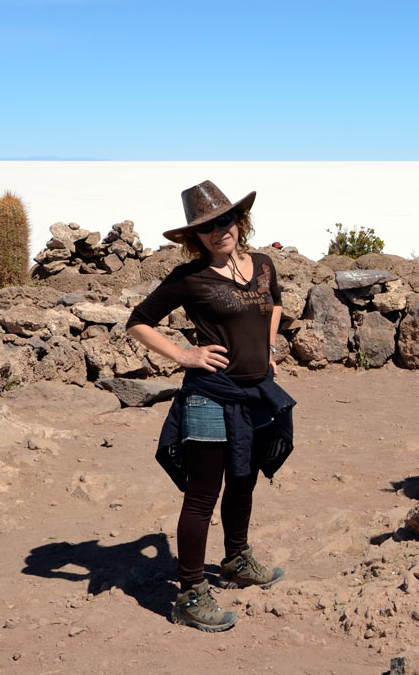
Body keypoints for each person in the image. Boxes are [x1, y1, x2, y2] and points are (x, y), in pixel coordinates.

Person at [126, 180, 295, 632]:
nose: (220, 230)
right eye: (207, 226)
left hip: (256, 394)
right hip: (209, 394)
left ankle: (238, 561)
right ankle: (190, 592)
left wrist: (269, 346)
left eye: (226, 219)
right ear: (193, 238)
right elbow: (138, 322)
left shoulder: (261, 264)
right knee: (202, 497)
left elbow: (274, 304)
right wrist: (184, 355)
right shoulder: (189, 279)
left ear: (239, 220)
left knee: (243, 483)